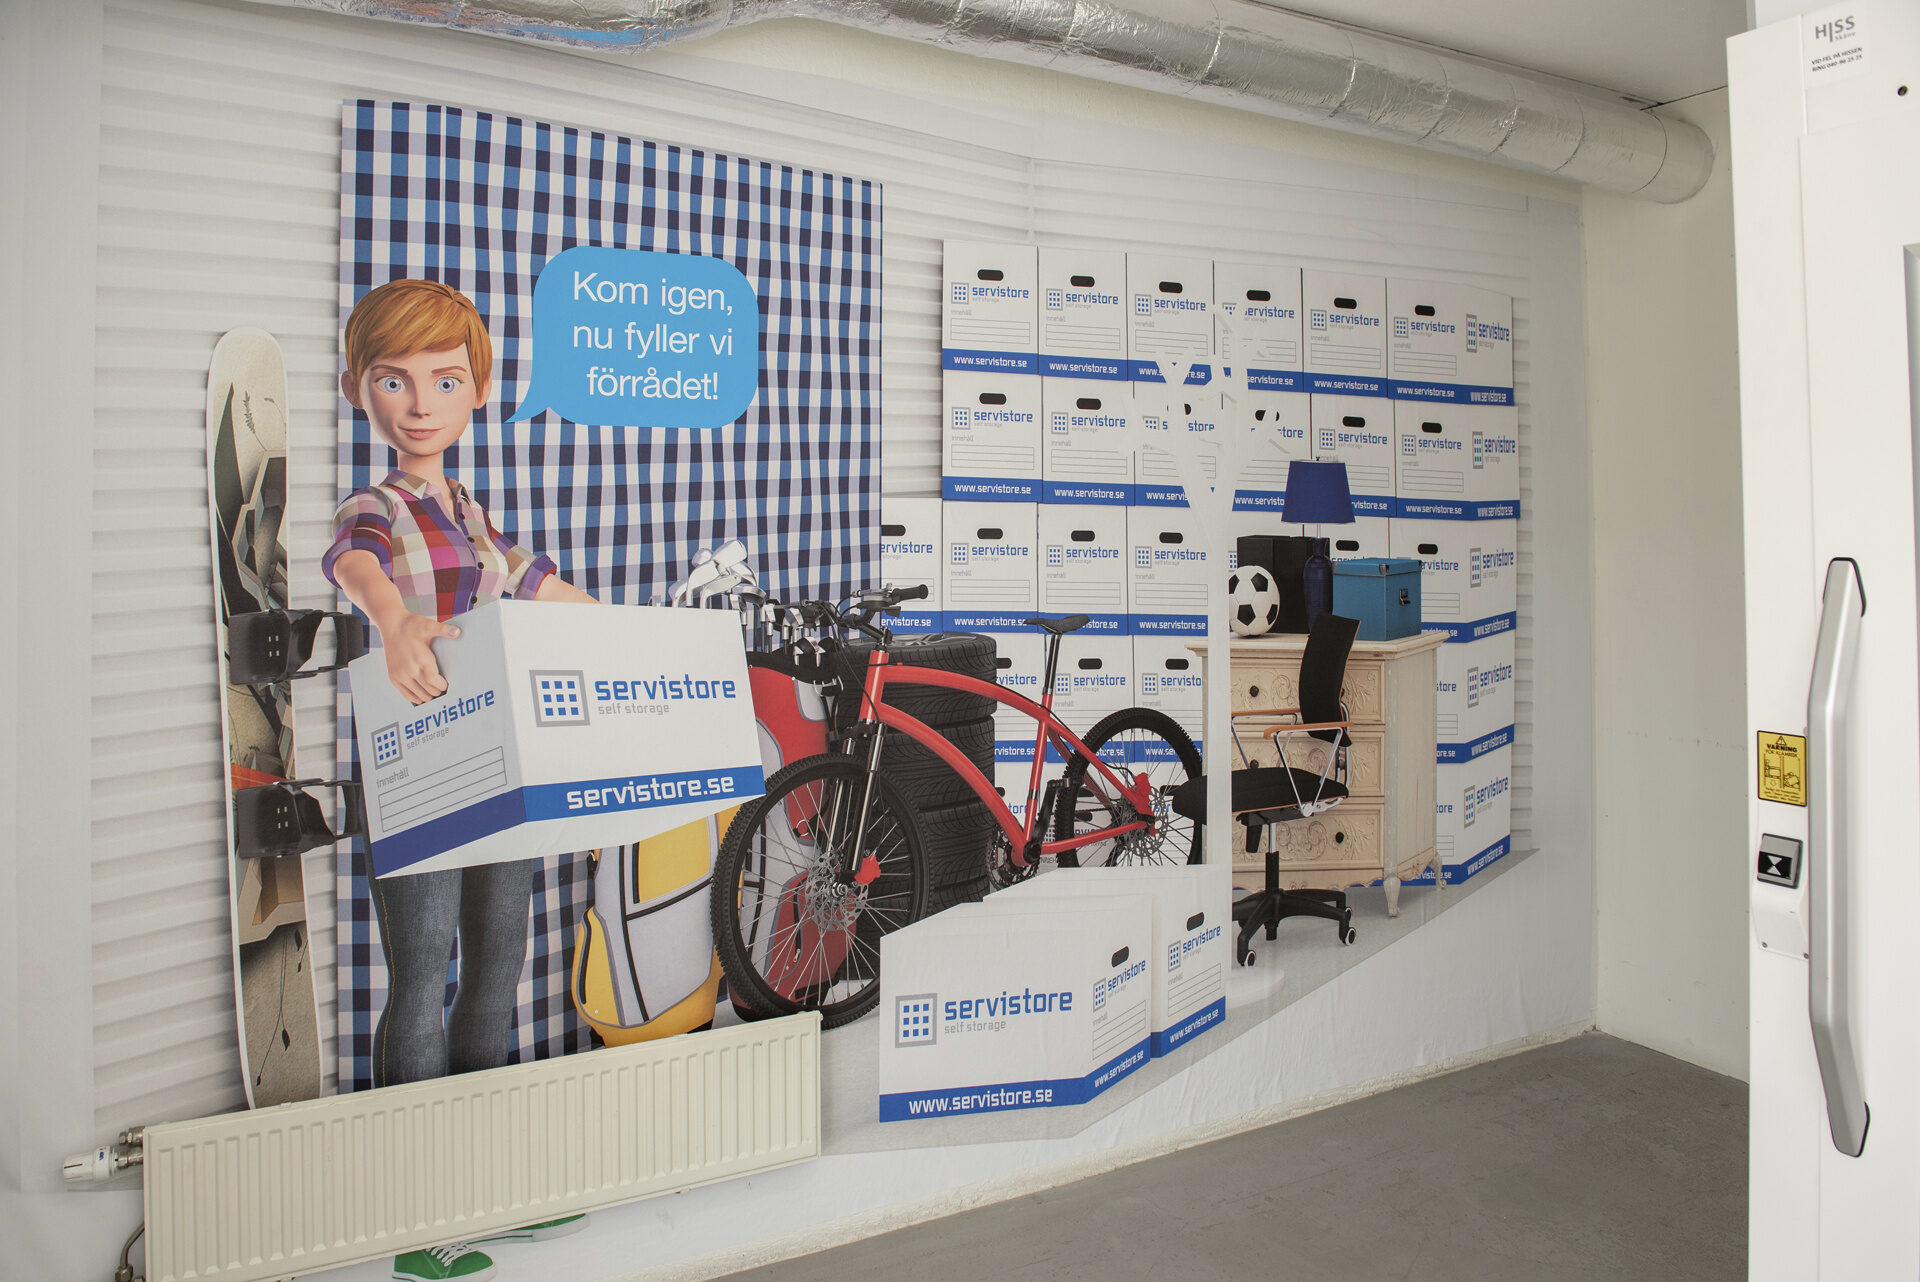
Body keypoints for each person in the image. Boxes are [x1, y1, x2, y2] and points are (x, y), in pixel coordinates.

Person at [324, 278, 588, 1282]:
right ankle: (413, 1208)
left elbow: (531, 579)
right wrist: (393, 622)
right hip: (417, 767)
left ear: (477, 389)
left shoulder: (468, 509)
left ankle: (484, 1177)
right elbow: (355, 562)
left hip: (495, 763)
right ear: (360, 390)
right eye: (394, 380)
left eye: (444, 379)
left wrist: (637, 637)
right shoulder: (379, 505)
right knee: (422, 967)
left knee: (498, 960)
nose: (420, 404)